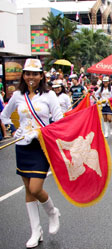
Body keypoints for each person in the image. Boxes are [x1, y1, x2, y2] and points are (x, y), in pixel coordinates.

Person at [0, 59, 63, 248]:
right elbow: (4, 115)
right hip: (23, 146)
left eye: (35, 73)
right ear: (24, 75)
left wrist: (42, 132)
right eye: (27, 73)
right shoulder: (18, 95)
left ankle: (52, 212)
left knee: (36, 188)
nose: (31, 77)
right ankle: (36, 230)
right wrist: (13, 128)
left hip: (42, 146)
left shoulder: (50, 95)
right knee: (28, 190)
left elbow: (59, 121)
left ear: (41, 75)